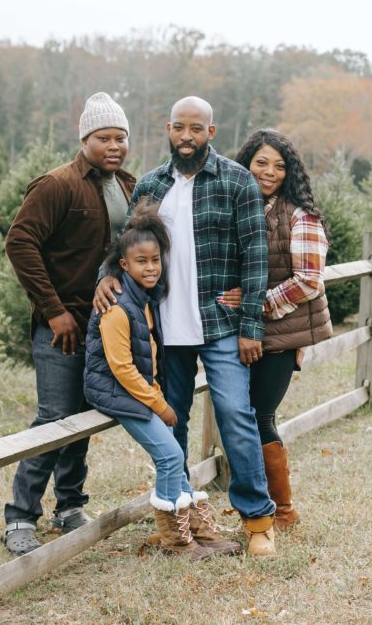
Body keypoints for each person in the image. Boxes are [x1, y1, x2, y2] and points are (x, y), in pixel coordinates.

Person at [94, 96, 278, 557]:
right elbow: (128, 249)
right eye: (179, 128)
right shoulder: (152, 185)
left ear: (211, 133)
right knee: (170, 419)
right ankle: (175, 524)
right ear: (168, 129)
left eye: (197, 129)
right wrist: (106, 278)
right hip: (163, 329)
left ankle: (258, 520)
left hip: (220, 324)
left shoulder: (237, 182)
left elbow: (255, 258)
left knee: (236, 416)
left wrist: (250, 324)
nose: (187, 137)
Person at [2, 92, 135, 555]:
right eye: (104, 138)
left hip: (104, 327)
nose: (114, 146)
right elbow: (20, 244)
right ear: (84, 139)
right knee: (54, 418)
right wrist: (54, 310)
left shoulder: (128, 186)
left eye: (121, 137)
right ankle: (20, 516)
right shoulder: (57, 185)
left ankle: (70, 507)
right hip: (62, 326)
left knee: (83, 419)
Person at [83, 202, 239, 560]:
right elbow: (121, 368)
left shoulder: (147, 298)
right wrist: (161, 404)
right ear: (124, 265)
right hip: (118, 392)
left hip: (140, 391)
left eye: (155, 260)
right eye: (141, 261)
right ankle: (176, 541)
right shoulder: (117, 306)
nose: (151, 267)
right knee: (170, 456)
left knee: (174, 454)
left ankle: (197, 529)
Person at [221, 128, 332, 530]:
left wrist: (256, 304)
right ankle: (257, 503)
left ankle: (281, 510)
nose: (269, 172)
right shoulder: (238, 207)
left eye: (279, 166)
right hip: (243, 332)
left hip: (278, 334)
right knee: (240, 414)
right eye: (261, 162)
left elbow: (308, 280)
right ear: (245, 163)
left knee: (259, 415)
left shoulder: (298, 216)